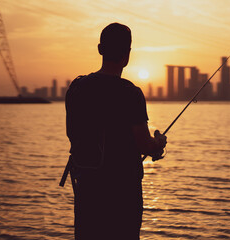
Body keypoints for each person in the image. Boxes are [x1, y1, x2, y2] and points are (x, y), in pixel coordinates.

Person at [65, 23, 167, 240]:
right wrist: (158, 144)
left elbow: (72, 133)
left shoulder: (77, 88)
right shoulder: (131, 94)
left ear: (100, 49)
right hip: (123, 193)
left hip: (86, 188)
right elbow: (144, 145)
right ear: (127, 54)